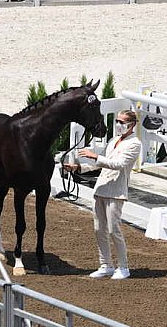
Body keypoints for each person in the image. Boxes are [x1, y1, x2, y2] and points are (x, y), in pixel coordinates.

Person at [63, 110, 142, 280]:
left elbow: (119, 164)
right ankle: (105, 265)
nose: (119, 125)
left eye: (123, 122)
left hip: (116, 191)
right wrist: (79, 168)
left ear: (132, 124)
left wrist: (96, 156)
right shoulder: (114, 141)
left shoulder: (134, 144)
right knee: (99, 229)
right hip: (101, 189)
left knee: (114, 230)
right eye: (118, 121)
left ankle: (123, 267)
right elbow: (102, 165)